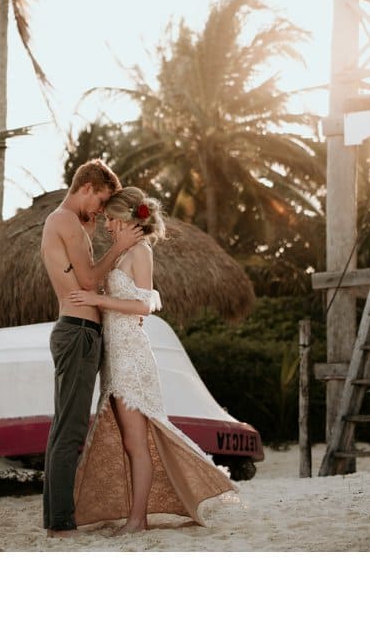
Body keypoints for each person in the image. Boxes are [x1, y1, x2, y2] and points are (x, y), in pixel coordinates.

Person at [66, 187, 237, 531]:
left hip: (131, 356)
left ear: (129, 220)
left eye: (112, 220)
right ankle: (136, 515)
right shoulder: (121, 254)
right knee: (130, 442)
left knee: (136, 442)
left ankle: (138, 520)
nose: (108, 227)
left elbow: (146, 305)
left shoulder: (141, 252)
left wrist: (98, 301)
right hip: (115, 357)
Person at [39, 159, 141, 536]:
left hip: (79, 332)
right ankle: (61, 522)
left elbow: (86, 279)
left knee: (64, 426)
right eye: (100, 199)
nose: (100, 209)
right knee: (71, 429)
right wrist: (120, 247)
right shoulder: (64, 220)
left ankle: (55, 517)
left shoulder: (70, 223)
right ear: (87, 187)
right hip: (79, 332)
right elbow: (89, 279)